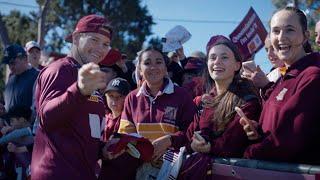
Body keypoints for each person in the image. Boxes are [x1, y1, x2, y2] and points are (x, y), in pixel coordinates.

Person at [31, 14, 115, 179]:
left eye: (105, 44)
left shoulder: (89, 77)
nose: (100, 48)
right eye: (94, 40)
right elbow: (46, 118)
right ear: (76, 38)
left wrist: (102, 149)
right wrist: (79, 90)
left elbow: (79, 133)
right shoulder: (60, 69)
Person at [240, 7, 320, 165]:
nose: (281, 37)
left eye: (289, 30)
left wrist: (247, 156)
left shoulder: (312, 76)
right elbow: (277, 126)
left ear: (305, 36)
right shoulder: (282, 78)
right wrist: (258, 130)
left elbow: (288, 140)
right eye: (275, 31)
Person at [178, 36, 261, 179]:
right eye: (213, 57)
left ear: (237, 65)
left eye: (224, 57)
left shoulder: (248, 101)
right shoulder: (207, 100)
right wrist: (191, 144)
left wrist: (210, 147)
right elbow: (189, 135)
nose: (217, 62)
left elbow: (233, 144)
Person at [117, 46, 196, 178]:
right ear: (140, 70)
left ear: (165, 68)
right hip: (139, 169)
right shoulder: (132, 97)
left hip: (174, 171)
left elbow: (192, 130)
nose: (153, 67)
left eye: (158, 62)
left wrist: (170, 140)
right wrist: (144, 151)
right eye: (147, 63)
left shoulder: (182, 95)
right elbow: (126, 134)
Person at [98, 78, 133, 179]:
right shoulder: (103, 117)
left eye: (119, 97)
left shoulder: (129, 120)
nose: (114, 101)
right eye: (111, 96)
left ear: (128, 97)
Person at [1, 44, 39, 112]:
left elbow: (37, 109)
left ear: (24, 59)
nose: (10, 67)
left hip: (28, 122)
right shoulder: (11, 79)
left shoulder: (37, 76)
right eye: (8, 64)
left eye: (13, 63)